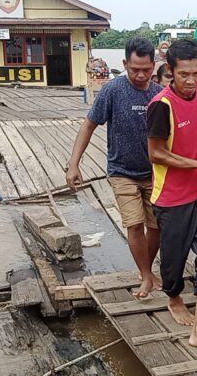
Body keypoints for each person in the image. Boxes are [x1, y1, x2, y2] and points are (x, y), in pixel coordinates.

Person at [146, 39, 197, 354]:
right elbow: (155, 154)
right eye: (184, 74)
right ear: (170, 71)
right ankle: (174, 297)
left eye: (196, 73)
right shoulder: (161, 106)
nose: (191, 81)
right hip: (172, 197)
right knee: (173, 263)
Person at [67, 37, 163, 299]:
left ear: (154, 65)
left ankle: (147, 268)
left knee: (156, 226)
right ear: (124, 64)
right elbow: (88, 125)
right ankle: (145, 276)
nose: (141, 75)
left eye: (146, 69)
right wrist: (74, 164)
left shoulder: (158, 94)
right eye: (134, 69)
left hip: (155, 172)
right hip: (122, 171)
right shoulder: (112, 90)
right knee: (134, 225)